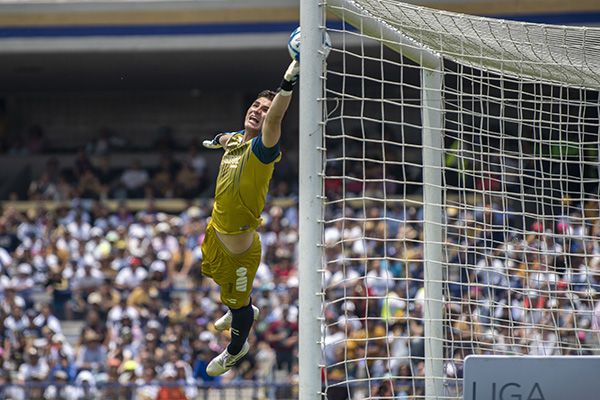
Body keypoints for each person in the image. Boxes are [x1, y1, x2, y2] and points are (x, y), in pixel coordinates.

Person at [200, 59, 299, 376]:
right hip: (215, 231)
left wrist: (288, 82)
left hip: (239, 251)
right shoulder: (235, 141)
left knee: (239, 305)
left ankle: (235, 347)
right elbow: (224, 137)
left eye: (265, 108)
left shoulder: (263, 147)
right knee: (214, 278)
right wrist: (217, 140)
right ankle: (238, 306)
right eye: (255, 105)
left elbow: (276, 118)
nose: (258, 110)